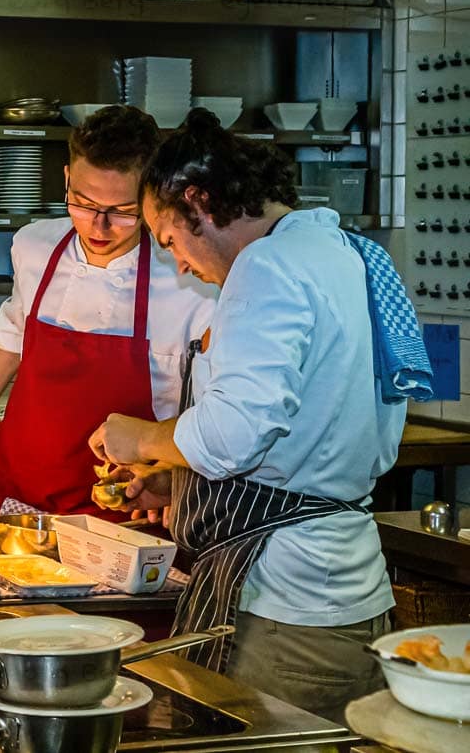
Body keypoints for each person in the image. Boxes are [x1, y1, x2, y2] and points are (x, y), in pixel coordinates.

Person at [89, 108, 407, 723]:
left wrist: (143, 439)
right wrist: (177, 482)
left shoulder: (266, 267)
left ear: (198, 201)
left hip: (289, 611)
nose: (179, 262)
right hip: (342, 596)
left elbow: (234, 434)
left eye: (169, 238)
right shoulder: (342, 252)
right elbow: (321, 440)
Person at [0, 105, 217, 518]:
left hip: (121, 517)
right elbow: (15, 326)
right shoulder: (34, 246)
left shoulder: (188, 280)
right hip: (18, 505)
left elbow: (208, 415)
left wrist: (168, 478)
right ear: (66, 179)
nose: (98, 227)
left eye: (121, 212)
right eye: (82, 203)